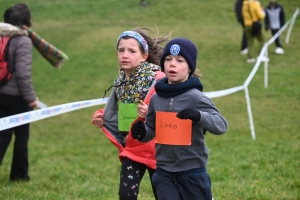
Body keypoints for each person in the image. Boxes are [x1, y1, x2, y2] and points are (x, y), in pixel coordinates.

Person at [131, 38, 228, 200]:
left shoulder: (196, 98)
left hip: (193, 172)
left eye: (179, 60)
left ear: (190, 67)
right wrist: (142, 132)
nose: (172, 64)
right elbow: (152, 131)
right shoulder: (156, 98)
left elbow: (221, 125)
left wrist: (198, 116)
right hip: (164, 172)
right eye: (168, 59)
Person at [92, 28, 170, 199]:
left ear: (144, 56)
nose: (125, 55)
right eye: (121, 50)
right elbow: (116, 110)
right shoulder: (120, 82)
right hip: (134, 150)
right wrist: (101, 116)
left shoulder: (159, 79)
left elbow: (172, 109)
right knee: (126, 195)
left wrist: (150, 112)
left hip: (159, 152)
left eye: (131, 51)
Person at [0, 3, 38, 182]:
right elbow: (23, 74)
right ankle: (19, 175)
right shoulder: (22, 40)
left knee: (2, 135)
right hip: (17, 98)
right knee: (21, 137)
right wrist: (31, 99)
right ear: (26, 23)